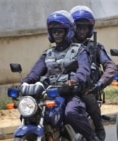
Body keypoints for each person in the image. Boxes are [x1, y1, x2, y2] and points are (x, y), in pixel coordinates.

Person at [21, 10, 99, 141]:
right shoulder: (48, 53)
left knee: (71, 112)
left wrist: (75, 80)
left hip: (71, 94)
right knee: (30, 113)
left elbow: (84, 70)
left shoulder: (79, 50)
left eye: (60, 31)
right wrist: (25, 82)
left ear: (68, 31)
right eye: (54, 31)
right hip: (50, 94)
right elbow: (35, 72)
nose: (56, 34)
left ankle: (92, 138)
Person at [70, 5, 117, 141]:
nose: (81, 31)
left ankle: (99, 128)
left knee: (88, 97)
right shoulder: (63, 46)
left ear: (90, 29)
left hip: (87, 88)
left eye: (85, 27)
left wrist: (99, 84)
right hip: (64, 87)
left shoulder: (95, 47)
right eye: (78, 27)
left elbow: (110, 66)